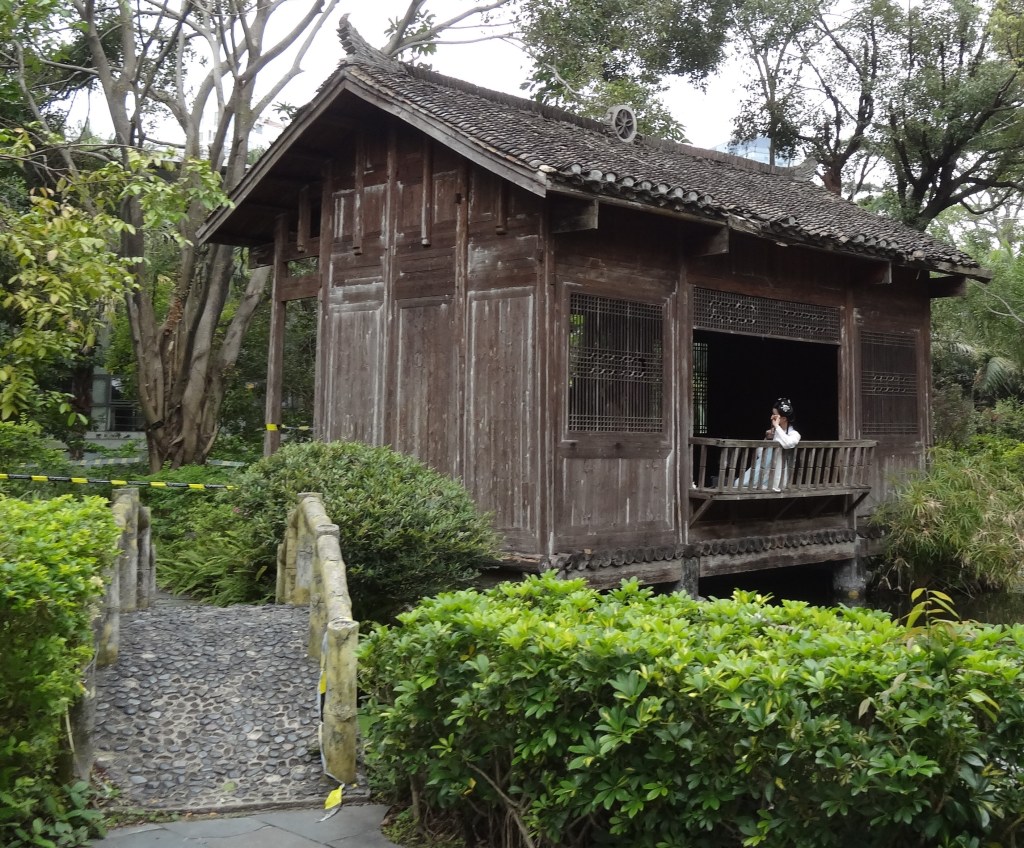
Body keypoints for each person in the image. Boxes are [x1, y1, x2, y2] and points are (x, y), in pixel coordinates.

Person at [741, 397, 802, 491]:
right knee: (739, 484)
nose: (771, 417)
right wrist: (767, 439)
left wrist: (777, 426)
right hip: (764, 471)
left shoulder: (794, 434)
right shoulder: (775, 432)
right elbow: (761, 454)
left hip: (775, 477)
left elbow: (788, 443)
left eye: (775, 415)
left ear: (784, 418)